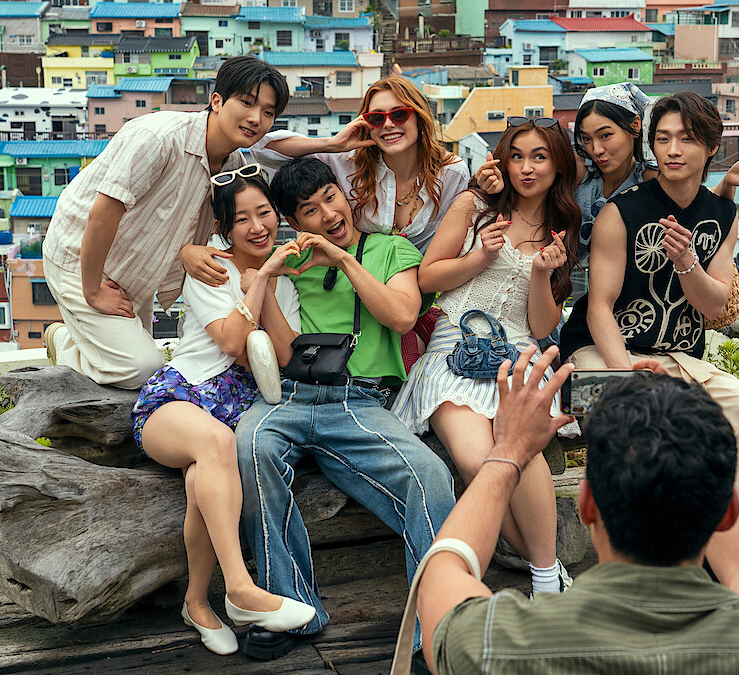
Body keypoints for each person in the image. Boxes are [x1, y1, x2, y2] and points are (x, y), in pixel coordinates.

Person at [415, 347, 739, 674]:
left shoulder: (495, 646)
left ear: (587, 504)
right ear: (727, 512)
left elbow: (442, 570)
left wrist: (509, 451)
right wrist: (683, 413)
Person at [557, 91, 739, 604]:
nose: (672, 149)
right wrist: (627, 374)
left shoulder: (721, 215)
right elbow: (598, 306)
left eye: (686, 138)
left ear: (710, 147)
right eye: (662, 138)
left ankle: (725, 550)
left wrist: (687, 260)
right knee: (628, 420)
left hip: (679, 357)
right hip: (598, 352)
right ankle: (627, 567)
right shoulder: (623, 212)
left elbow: (712, 307)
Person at [234, 157, 456, 662]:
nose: (326, 214)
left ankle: (437, 632)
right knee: (251, 447)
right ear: (295, 222)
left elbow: (401, 316)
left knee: (429, 476)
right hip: (290, 395)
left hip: (359, 400)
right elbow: (282, 349)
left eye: (330, 198)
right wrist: (255, 273)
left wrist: (344, 260)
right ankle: (289, 607)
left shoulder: (390, 249)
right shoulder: (287, 260)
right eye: (309, 211)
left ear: (346, 194)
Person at [390, 117, 581, 596]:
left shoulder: (563, 227)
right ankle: (550, 566)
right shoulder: (475, 206)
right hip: (455, 348)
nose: (526, 167)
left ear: (557, 163)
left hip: (517, 353)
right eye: (516, 156)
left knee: (521, 444)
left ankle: (543, 578)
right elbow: (428, 279)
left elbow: (540, 327)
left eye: (539, 156)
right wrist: (480, 258)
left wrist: (540, 273)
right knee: (479, 462)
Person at [129, 168, 317, 655]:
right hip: (177, 399)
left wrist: (270, 282)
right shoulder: (209, 268)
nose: (257, 227)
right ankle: (239, 588)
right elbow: (234, 342)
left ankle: (196, 602)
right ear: (224, 229)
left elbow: (281, 356)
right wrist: (258, 282)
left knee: (202, 481)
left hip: (230, 411)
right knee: (217, 444)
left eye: (265, 214)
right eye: (242, 220)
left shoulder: (285, 283)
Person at [42, 56, 288, 389]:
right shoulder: (159, 138)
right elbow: (102, 214)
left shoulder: (233, 164)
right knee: (142, 367)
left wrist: (188, 252)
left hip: (133, 271)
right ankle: (68, 347)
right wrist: (92, 291)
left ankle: (72, 341)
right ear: (216, 100)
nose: (255, 118)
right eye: (246, 102)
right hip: (79, 259)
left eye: (268, 112)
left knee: (134, 365)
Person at [474, 82, 739, 262]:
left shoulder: (647, 180)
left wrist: (727, 185)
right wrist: (490, 182)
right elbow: (525, 178)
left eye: (605, 135)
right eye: (586, 138)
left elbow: (694, 205)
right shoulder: (578, 171)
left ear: (635, 125)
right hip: (550, 280)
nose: (596, 149)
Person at [249, 76, 470, 252]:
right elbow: (262, 149)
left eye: (400, 114)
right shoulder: (347, 162)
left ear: (419, 118)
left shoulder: (452, 173)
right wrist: (333, 143)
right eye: (377, 118)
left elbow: (457, 240)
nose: (389, 124)